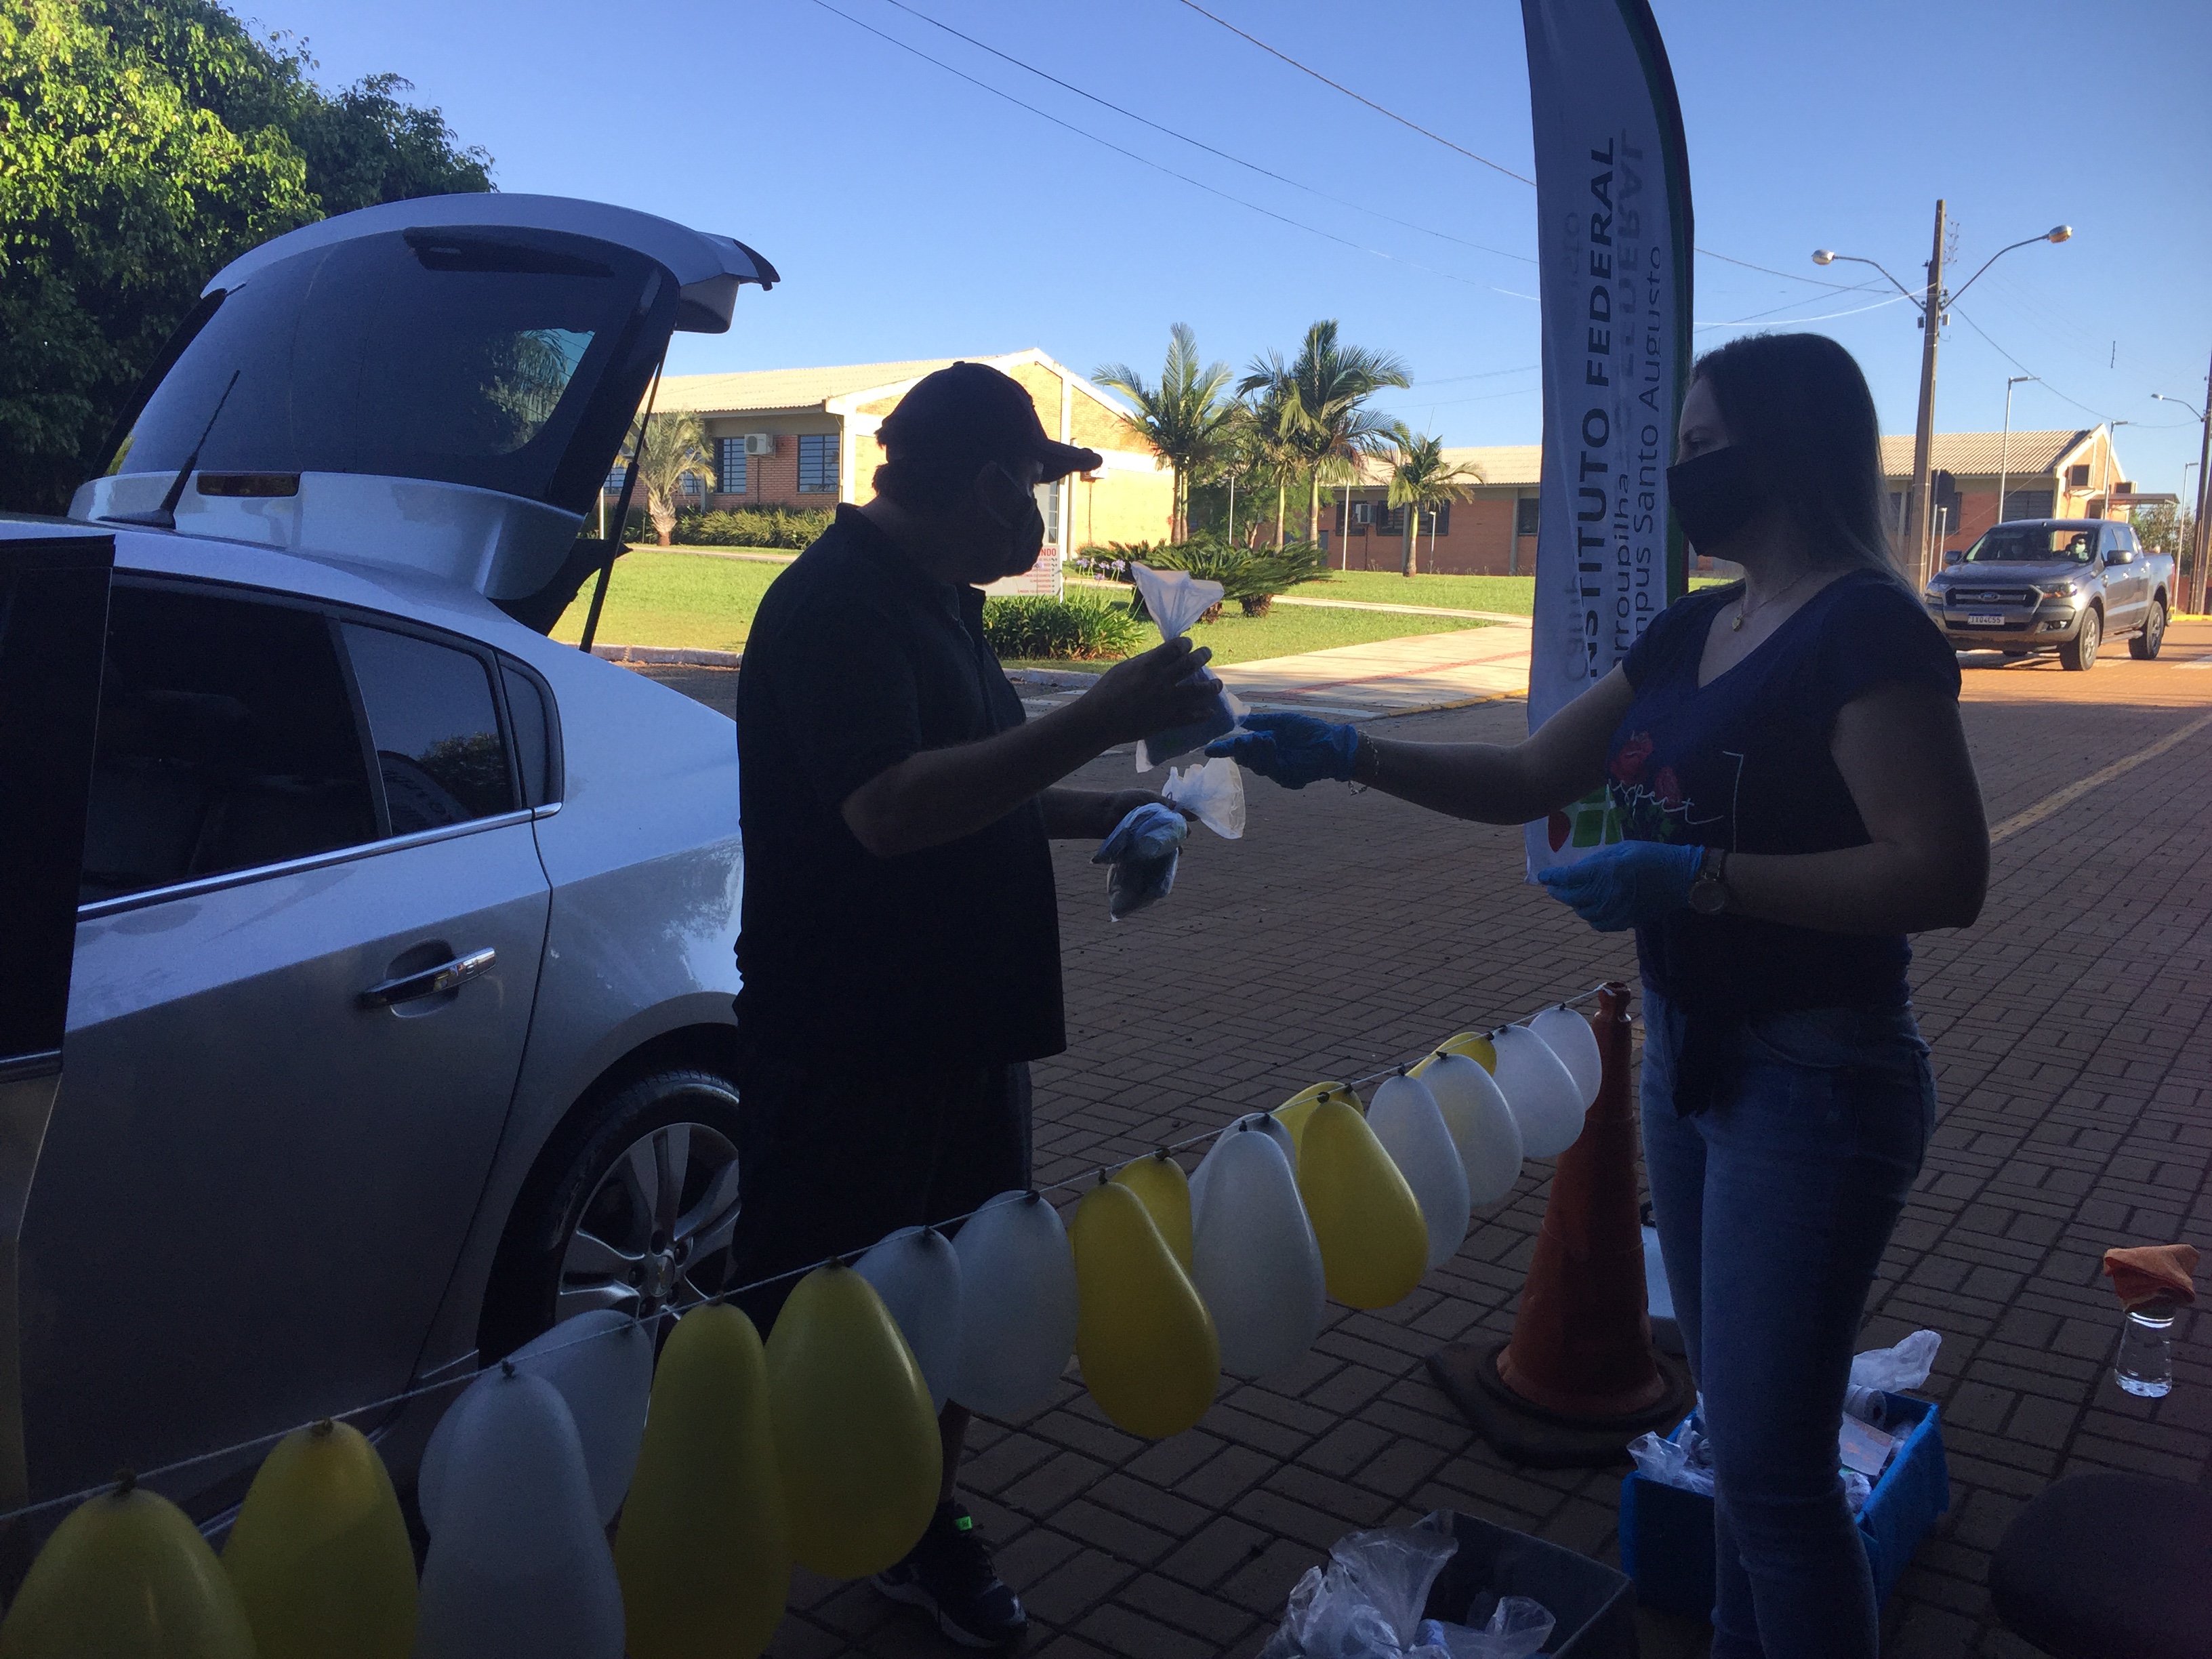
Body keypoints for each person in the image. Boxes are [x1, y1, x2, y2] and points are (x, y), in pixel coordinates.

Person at [1208, 333, 1989, 1659]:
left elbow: (1942, 872)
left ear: (1789, 449)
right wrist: (1351, 755)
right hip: (1692, 1059)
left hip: (1813, 1078)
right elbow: (1532, 780)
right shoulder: (1694, 628)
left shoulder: (1865, 629)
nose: (1682, 472)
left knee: (1778, 1479)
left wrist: (1703, 877)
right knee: (1735, 1446)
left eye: (1704, 446)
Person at [726, 361, 1220, 1649]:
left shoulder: (945, 602)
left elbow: (976, 779)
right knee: (816, 1312)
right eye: (1041, 490)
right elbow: (888, 809)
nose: (1042, 520)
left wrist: (1109, 809)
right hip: (851, 1045)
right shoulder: (835, 606)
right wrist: (1099, 718)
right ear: (995, 482)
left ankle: (918, 1531)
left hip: (968, 1027)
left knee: (953, 1294)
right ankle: (742, 1545)